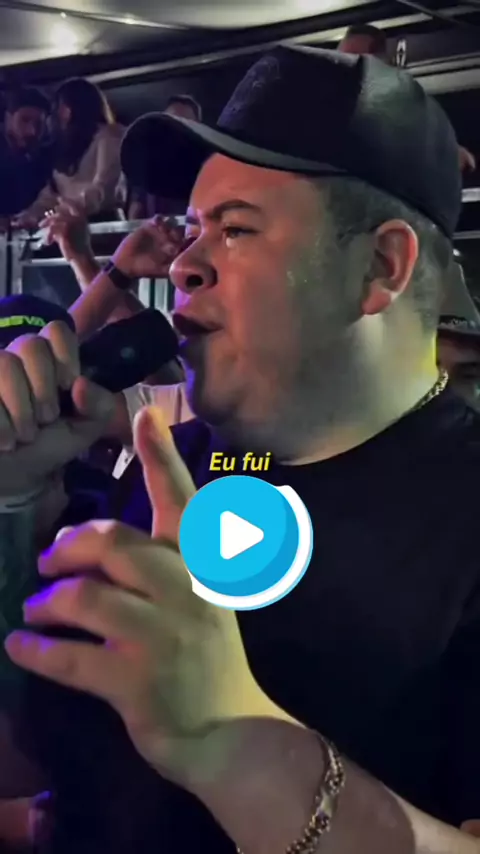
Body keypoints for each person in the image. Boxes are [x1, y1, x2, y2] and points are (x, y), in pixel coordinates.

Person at [2, 44, 480, 853]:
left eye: (234, 229)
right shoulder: (168, 465)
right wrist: (12, 507)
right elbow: (29, 766)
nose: (184, 264)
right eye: (193, 230)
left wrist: (238, 748)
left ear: (380, 266)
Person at [15, 79, 124, 230]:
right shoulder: (65, 146)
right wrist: (28, 216)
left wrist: (64, 210)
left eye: (58, 106)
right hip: (70, 225)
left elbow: (104, 190)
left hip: (103, 224)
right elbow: (51, 196)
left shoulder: (109, 137)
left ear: (68, 109)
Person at [128, 93, 202, 220]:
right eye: (172, 120)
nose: (177, 128)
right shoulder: (147, 164)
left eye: (185, 122)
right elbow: (136, 210)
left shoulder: (207, 167)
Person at [0, 88, 52, 224]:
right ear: (8, 118)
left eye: (39, 124)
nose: (32, 131)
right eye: (24, 120)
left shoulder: (46, 158)